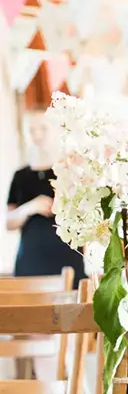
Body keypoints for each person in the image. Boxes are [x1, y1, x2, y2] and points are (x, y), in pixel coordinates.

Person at [6, 109, 85, 286]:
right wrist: (29, 207)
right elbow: (8, 222)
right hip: (30, 262)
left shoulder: (71, 171)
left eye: (43, 128)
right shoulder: (20, 176)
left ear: (55, 130)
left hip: (68, 259)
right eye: (31, 130)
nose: (37, 135)